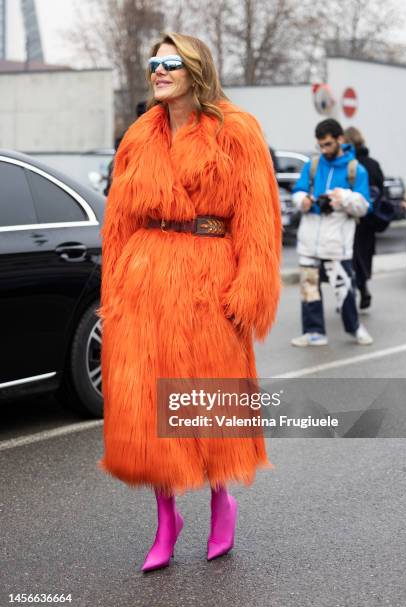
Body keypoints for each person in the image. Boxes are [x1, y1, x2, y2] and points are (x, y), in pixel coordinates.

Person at [96, 32, 282, 572]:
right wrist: (115, 291)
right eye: (154, 62)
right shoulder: (138, 136)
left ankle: (222, 496)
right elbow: (118, 224)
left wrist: (248, 288)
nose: (158, 70)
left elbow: (258, 217)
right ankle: (165, 516)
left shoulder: (236, 130)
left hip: (208, 274)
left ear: (196, 69)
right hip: (145, 279)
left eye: (170, 62)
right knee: (149, 403)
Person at [291, 118, 373, 347]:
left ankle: (355, 328)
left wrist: (345, 198)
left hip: (337, 242)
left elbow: (364, 207)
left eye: (327, 144)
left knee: (344, 289)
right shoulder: (313, 165)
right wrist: (303, 200)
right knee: (309, 289)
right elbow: (297, 192)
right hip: (309, 239)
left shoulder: (356, 169)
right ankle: (314, 332)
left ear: (340, 139)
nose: (324, 149)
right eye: (320, 145)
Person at [344, 127, 385, 310]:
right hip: (370, 219)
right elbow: (380, 188)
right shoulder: (373, 163)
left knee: (351, 259)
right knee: (365, 256)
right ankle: (363, 287)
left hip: (352, 217)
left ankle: (354, 292)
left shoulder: (350, 165)